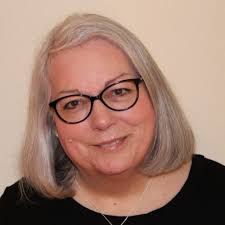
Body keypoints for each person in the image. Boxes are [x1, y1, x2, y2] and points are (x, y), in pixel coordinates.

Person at [0, 13, 224, 225]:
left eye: (118, 91)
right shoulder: (17, 212)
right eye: (73, 103)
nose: (102, 121)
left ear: (154, 96)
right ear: (53, 124)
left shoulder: (217, 192)